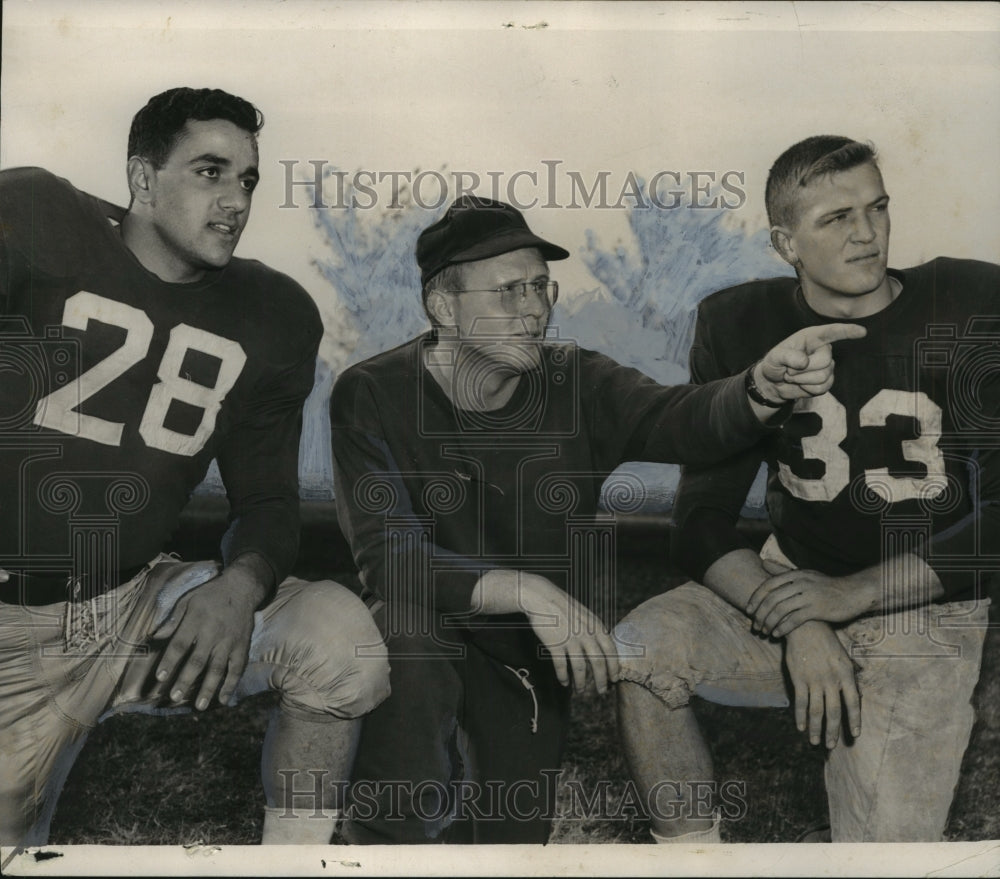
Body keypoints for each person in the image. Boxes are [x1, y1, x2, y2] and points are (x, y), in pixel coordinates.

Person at [328, 194, 865, 843]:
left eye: (540, 287)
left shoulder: (574, 380)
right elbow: (390, 561)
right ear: (444, 308)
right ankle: (383, 841)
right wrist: (527, 588)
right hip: (427, 631)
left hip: (526, 658)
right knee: (407, 655)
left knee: (507, 843)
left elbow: (680, 419)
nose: (533, 309)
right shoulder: (372, 391)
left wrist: (758, 388)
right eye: (507, 292)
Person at [0, 87, 389, 849]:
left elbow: (270, 499)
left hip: (128, 607)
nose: (235, 200)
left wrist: (239, 586)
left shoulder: (270, 314)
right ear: (142, 179)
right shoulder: (40, 219)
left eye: (247, 178)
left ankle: (291, 863)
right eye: (210, 172)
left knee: (339, 637)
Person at [615, 135, 999, 843]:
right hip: (791, 582)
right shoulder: (739, 322)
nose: (868, 232)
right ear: (784, 241)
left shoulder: (969, 301)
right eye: (837, 218)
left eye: (877, 208)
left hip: (925, 608)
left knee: (884, 854)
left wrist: (849, 596)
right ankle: (693, 858)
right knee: (640, 649)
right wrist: (802, 614)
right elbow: (699, 519)